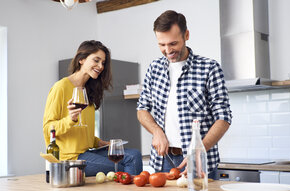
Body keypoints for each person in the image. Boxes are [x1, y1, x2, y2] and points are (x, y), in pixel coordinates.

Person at [137, 10, 232, 179]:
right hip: (162, 161)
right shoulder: (154, 69)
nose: (167, 50)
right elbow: (142, 110)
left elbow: (223, 117)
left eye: (173, 43)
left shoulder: (209, 68)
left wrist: (198, 151)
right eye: (162, 44)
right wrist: (156, 131)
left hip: (200, 160)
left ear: (186, 35)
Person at [43, 40, 143, 176]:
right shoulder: (61, 87)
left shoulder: (88, 90)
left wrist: (99, 142)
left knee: (134, 155)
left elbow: (82, 131)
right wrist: (69, 120)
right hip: (71, 157)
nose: (100, 66)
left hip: (88, 151)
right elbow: (48, 129)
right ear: (81, 59)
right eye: (96, 60)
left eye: (103, 63)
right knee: (120, 165)